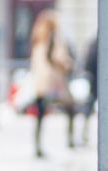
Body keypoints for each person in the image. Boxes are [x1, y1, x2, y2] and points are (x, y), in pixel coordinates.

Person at [27, 9, 74, 157]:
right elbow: (56, 58)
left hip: (40, 82)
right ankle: (70, 140)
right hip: (53, 81)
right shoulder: (52, 39)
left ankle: (37, 147)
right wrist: (67, 64)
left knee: (40, 115)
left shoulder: (37, 38)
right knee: (70, 108)